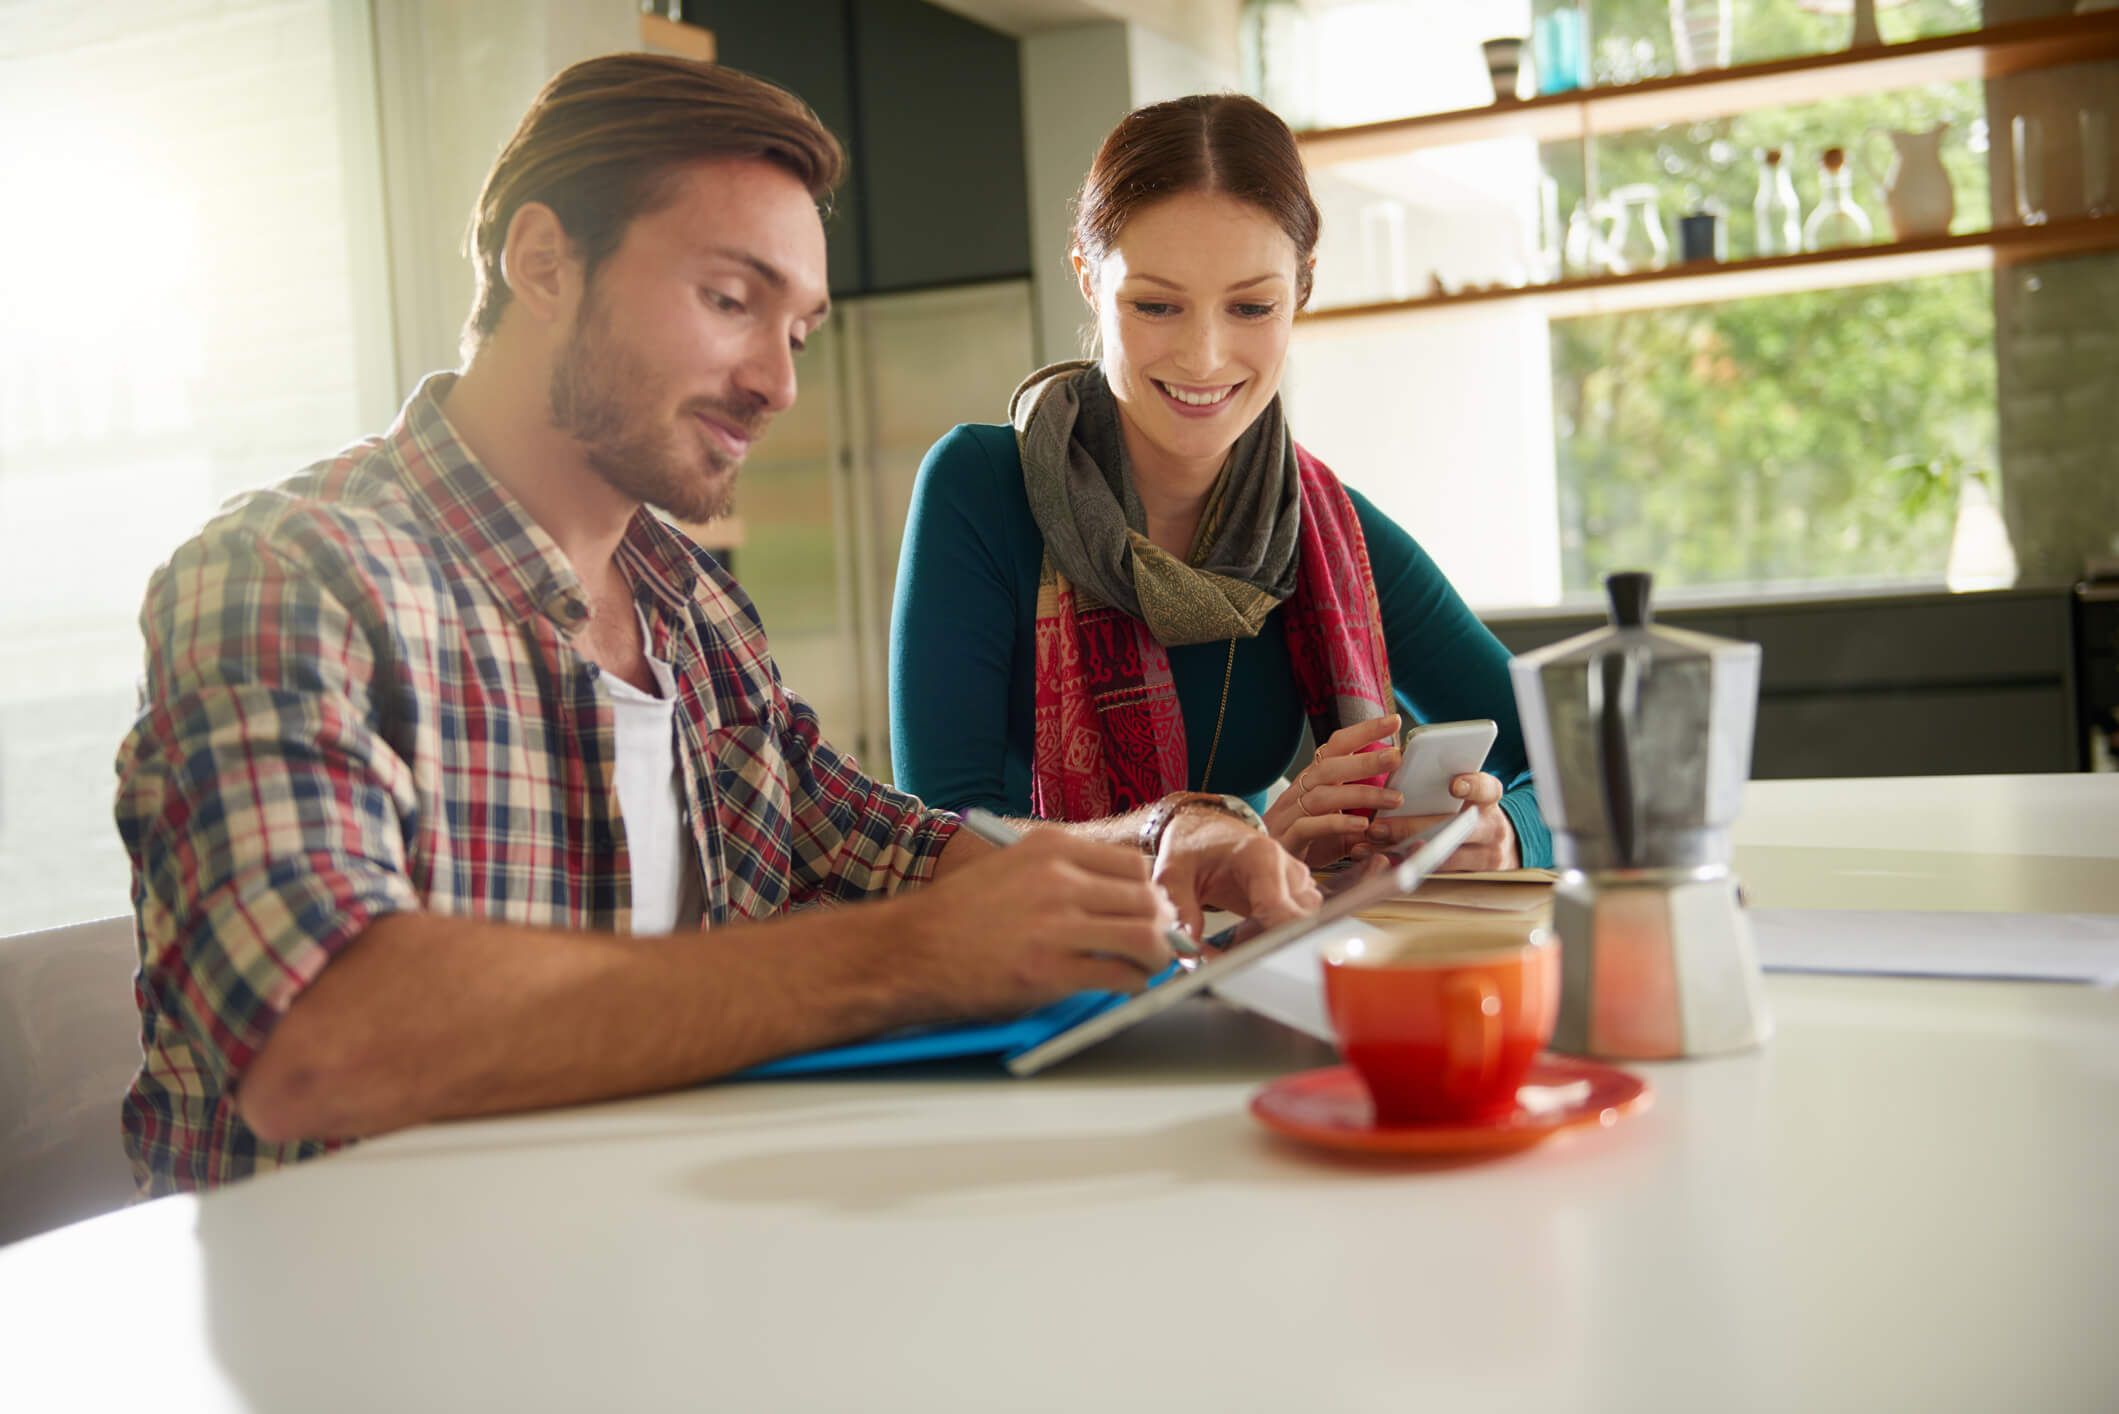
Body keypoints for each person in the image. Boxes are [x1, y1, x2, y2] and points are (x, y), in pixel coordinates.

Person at [112, 57, 1317, 1196]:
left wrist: (1162, 837)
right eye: (730, 299)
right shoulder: (288, 576)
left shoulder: (689, 606)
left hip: (660, 1262)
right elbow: (316, 1038)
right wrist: (904, 957)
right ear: (544, 261)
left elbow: (879, 843)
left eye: (795, 332)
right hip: (360, 1324)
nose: (778, 384)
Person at [889, 94, 1551, 874]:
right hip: (1040, 985)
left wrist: (1500, 833)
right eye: (1157, 304)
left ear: (1301, 289)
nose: (1203, 356)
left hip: (1263, 965)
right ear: (1087, 279)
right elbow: (941, 842)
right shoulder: (980, 488)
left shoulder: (1323, 525)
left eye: (1250, 305)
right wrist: (1236, 856)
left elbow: (1561, 761)